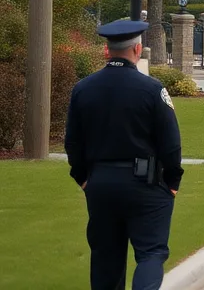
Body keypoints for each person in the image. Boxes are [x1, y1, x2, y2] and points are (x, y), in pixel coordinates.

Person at [65, 19, 183, 290]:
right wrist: (173, 182)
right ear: (137, 49)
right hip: (147, 182)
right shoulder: (153, 90)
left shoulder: (82, 89)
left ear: (107, 51)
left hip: (101, 182)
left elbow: (73, 142)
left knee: (106, 259)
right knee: (151, 253)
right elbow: (170, 144)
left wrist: (84, 178)